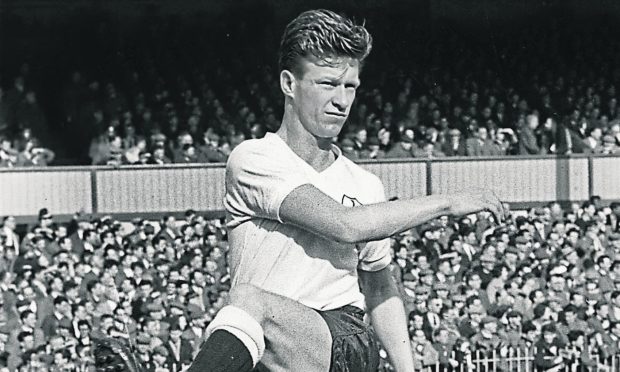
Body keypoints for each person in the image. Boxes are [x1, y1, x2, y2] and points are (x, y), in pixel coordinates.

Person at [94, 9, 504, 372]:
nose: (342, 101)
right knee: (250, 312)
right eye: (327, 84)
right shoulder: (254, 159)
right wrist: (445, 201)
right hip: (275, 350)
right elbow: (343, 223)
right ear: (289, 83)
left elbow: (378, 283)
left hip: (343, 339)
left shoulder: (365, 184)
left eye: (351, 87)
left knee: (250, 301)